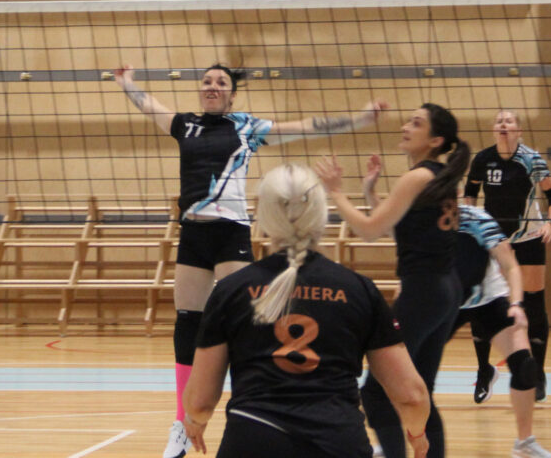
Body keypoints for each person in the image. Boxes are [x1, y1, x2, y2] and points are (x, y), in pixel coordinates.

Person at [113, 63, 387, 458]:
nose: (212, 86)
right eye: (207, 81)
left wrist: (360, 119)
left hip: (231, 234)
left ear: (231, 94)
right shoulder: (185, 125)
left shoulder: (246, 127)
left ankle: (257, 407)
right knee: (188, 322)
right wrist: (126, 82)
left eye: (221, 82)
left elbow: (306, 126)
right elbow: (148, 105)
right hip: (193, 233)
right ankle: (181, 423)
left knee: (249, 321)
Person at [182, 164, 430, 458]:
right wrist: (417, 434)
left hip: (253, 439)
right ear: (320, 213)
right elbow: (412, 395)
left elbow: (200, 401)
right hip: (338, 442)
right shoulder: (359, 290)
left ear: (262, 216)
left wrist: (195, 421)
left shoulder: (230, 291)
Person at [315, 103, 470, 458]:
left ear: (435, 140)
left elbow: (369, 230)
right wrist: (371, 192)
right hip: (444, 290)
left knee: (376, 391)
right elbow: (400, 227)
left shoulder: (417, 177)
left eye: (415, 123)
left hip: (423, 292)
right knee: (421, 390)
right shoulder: (437, 177)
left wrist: (336, 192)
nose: (405, 127)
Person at [464, 110, 551, 403]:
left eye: (509, 121)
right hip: (494, 240)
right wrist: (470, 224)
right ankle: (484, 371)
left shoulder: (532, 160)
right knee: (480, 302)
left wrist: (550, 223)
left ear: (519, 130)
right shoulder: (482, 159)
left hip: (529, 237)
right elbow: (469, 193)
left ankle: (538, 374)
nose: (503, 124)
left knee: (533, 305)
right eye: (499, 121)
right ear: (494, 129)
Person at [452, 204, 551, 458]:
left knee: (525, 366)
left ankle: (524, 443)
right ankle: (396, 439)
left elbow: (510, 265)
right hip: (447, 301)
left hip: (489, 299)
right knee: (411, 368)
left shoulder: (476, 218)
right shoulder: (421, 217)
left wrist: (516, 304)